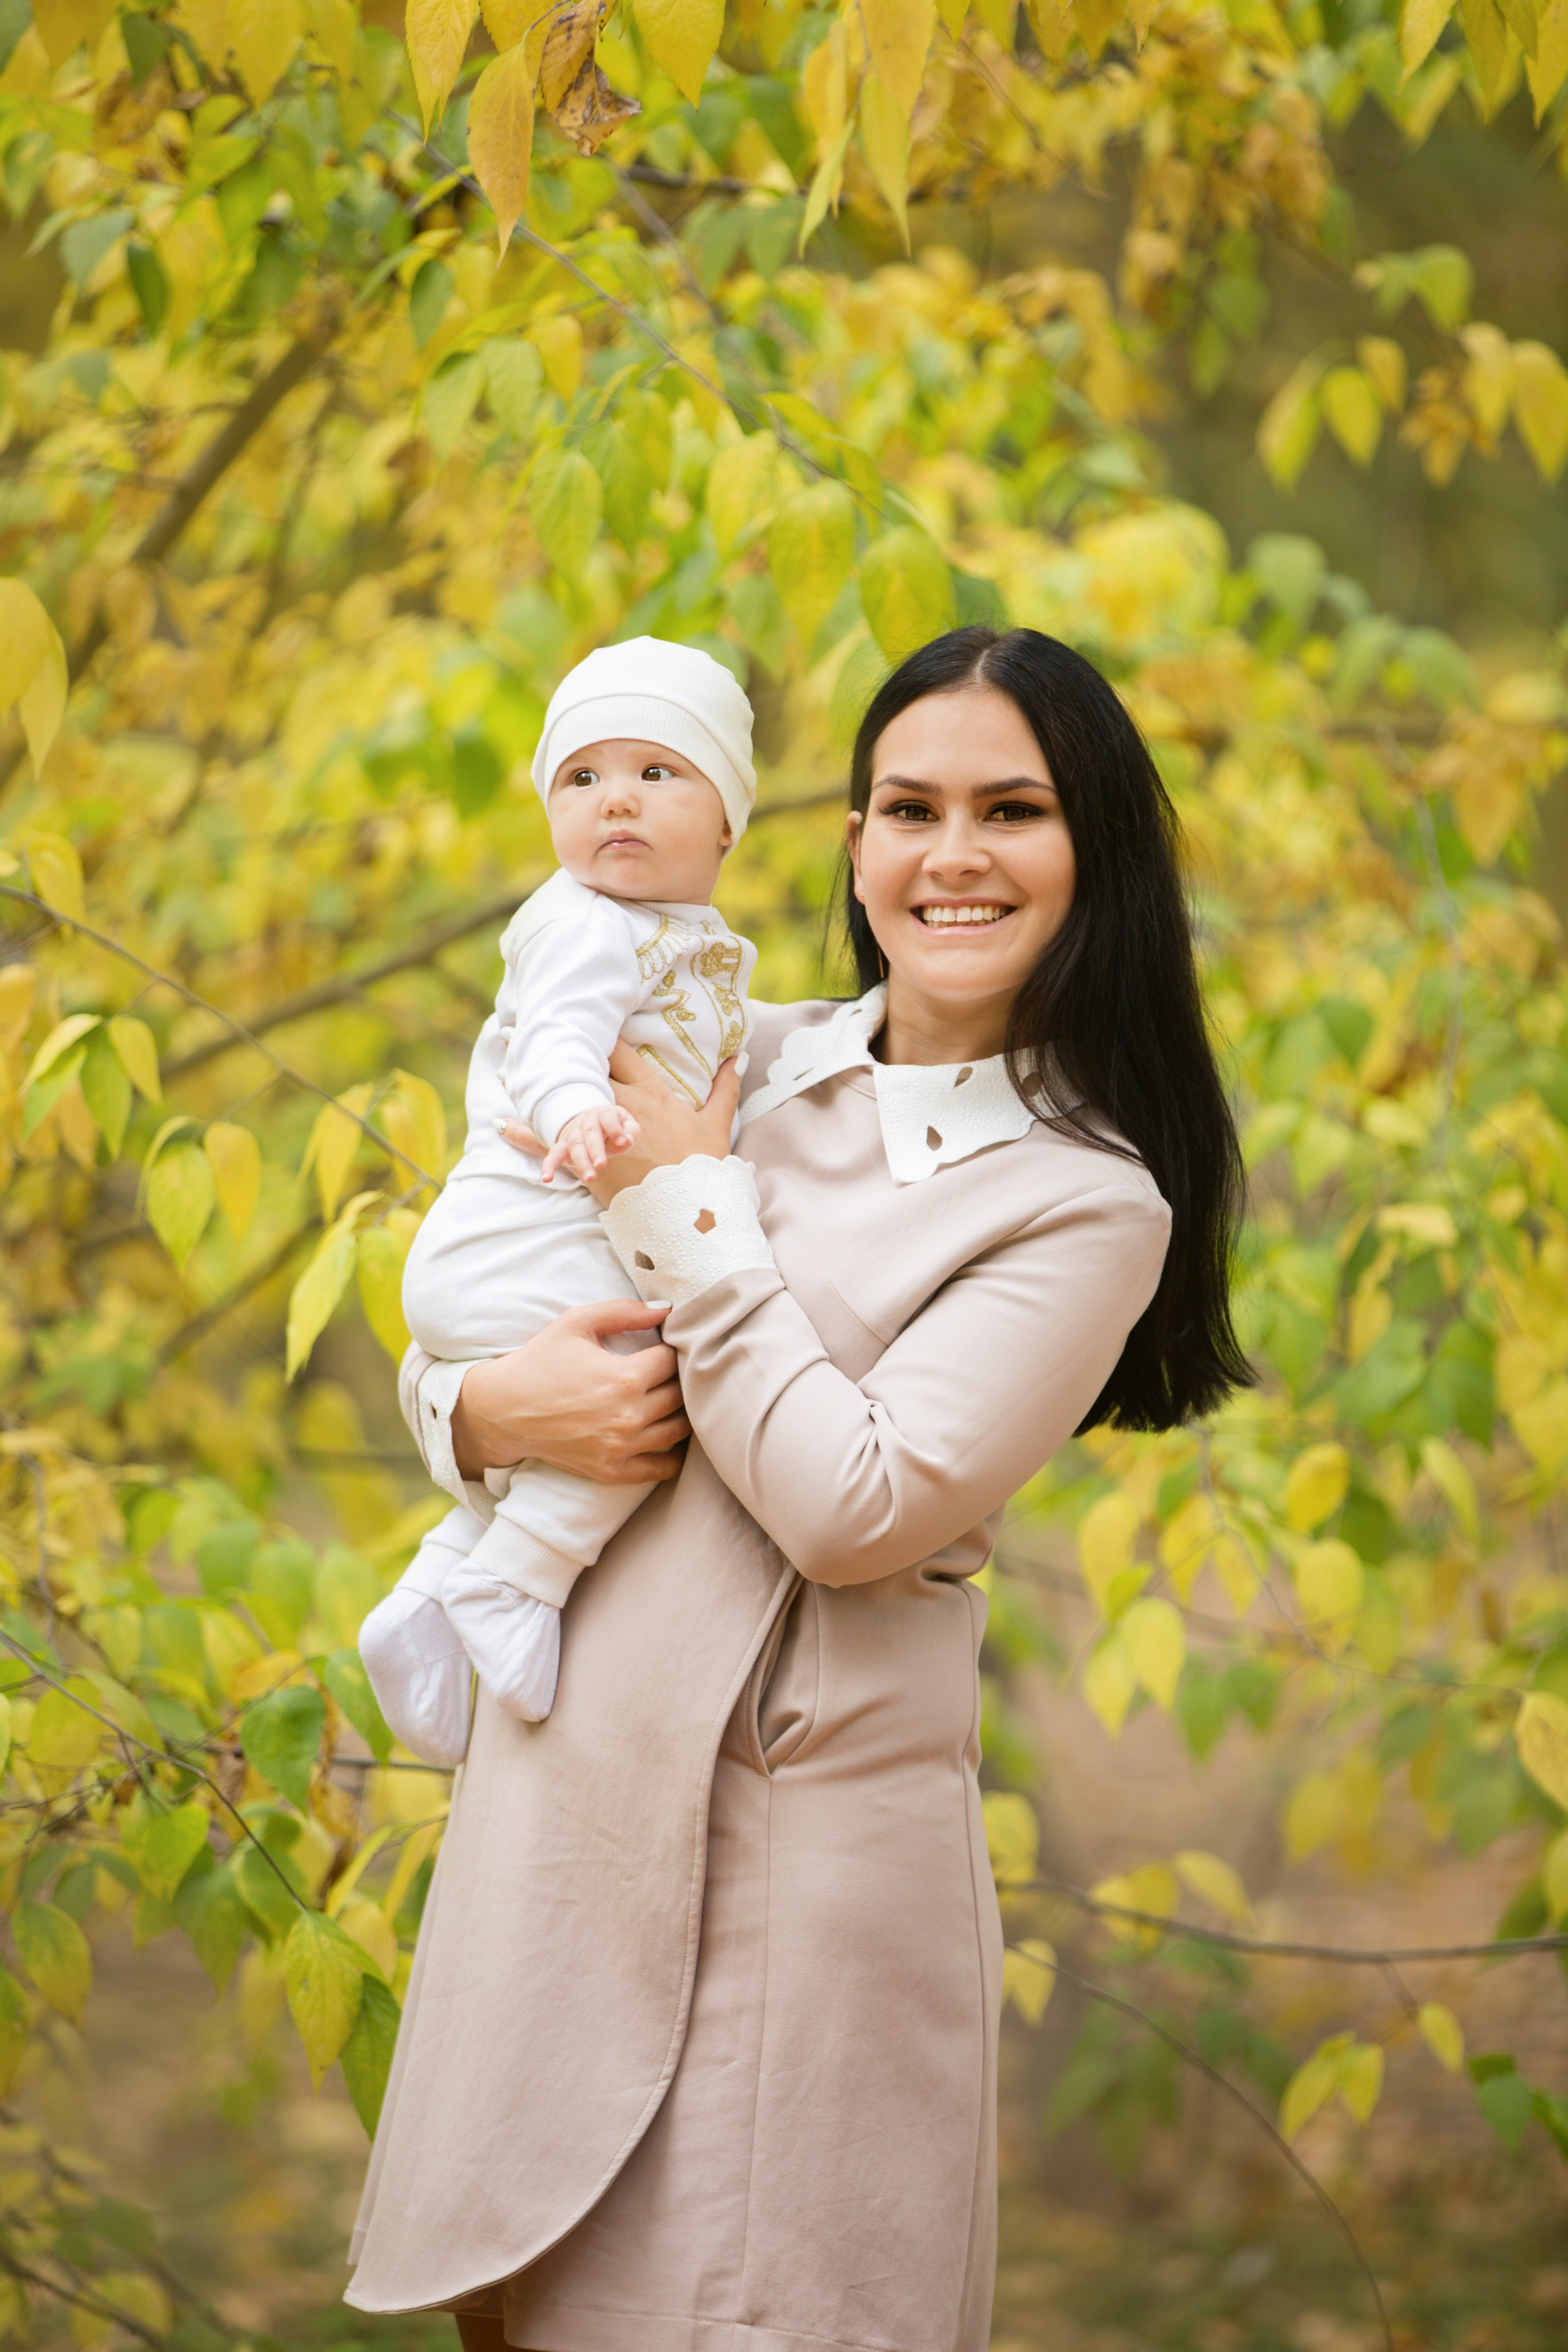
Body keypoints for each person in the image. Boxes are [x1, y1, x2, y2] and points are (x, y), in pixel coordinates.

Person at [345, 625, 1250, 2352]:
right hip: (561, 1831)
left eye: (1014, 810)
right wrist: (475, 1414)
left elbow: (853, 1507)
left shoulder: (1081, 1198)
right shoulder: (734, 1051)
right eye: (909, 806)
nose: (954, 855)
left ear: (1099, 853)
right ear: (849, 849)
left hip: (794, 1891)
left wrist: (695, 1208)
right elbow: (501, 1278)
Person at [357, 639, 757, 1761]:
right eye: (580, 779)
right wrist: (580, 1108)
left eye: (656, 772)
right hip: (525, 1234)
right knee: (655, 1366)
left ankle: (433, 1593)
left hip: (504, 1258)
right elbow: (559, 1035)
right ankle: (521, 1583)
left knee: (582, 1410)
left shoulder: (688, 943)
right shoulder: (585, 922)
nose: (614, 799)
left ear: (728, 819)